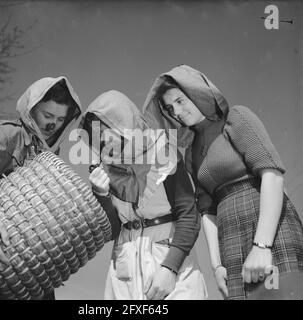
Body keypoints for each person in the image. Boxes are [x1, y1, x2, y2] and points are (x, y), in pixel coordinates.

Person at [143, 64, 303, 300]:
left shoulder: (236, 118)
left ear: (198, 93)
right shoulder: (190, 152)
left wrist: (262, 246)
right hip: (230, 237)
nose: (176, 112)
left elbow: (272, 176)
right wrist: (216, 266)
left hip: (269, 227)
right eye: (169, 108)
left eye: (180, 101)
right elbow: (207, 210)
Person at [0, 76, 82, 299]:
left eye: (61, 119)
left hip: (31, 273)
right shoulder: (7, 134)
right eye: (47, 115)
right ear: (31, 109)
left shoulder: (52, 160)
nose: (52, 124)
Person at [81, 90, 207, 300]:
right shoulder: (104, 170)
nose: (103, 139)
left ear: (125, 123)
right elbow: (112, 230)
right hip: (124, 269)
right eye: (97, 135)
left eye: (107, 129)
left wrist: (170, 269)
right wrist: (101, 195)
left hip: (169, 261)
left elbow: (189, 216)